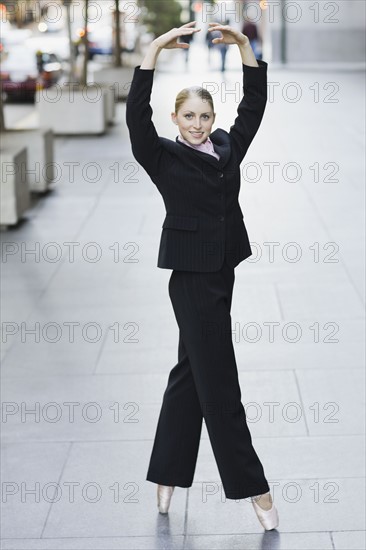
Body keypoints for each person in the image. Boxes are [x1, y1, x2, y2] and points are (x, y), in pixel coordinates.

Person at [125, 21, 279, 531]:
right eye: (188, 116)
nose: (197, 124)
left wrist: (244, 49)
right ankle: (253, 486)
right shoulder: (163, 157)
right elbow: (136, 122)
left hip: (222, 270)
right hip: (190, 278)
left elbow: (253, 107)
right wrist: (150, 54)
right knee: (220, 380)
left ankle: (165, 476)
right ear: (176, 117)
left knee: (190, 377)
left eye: (204, 116)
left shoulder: (227, 150)